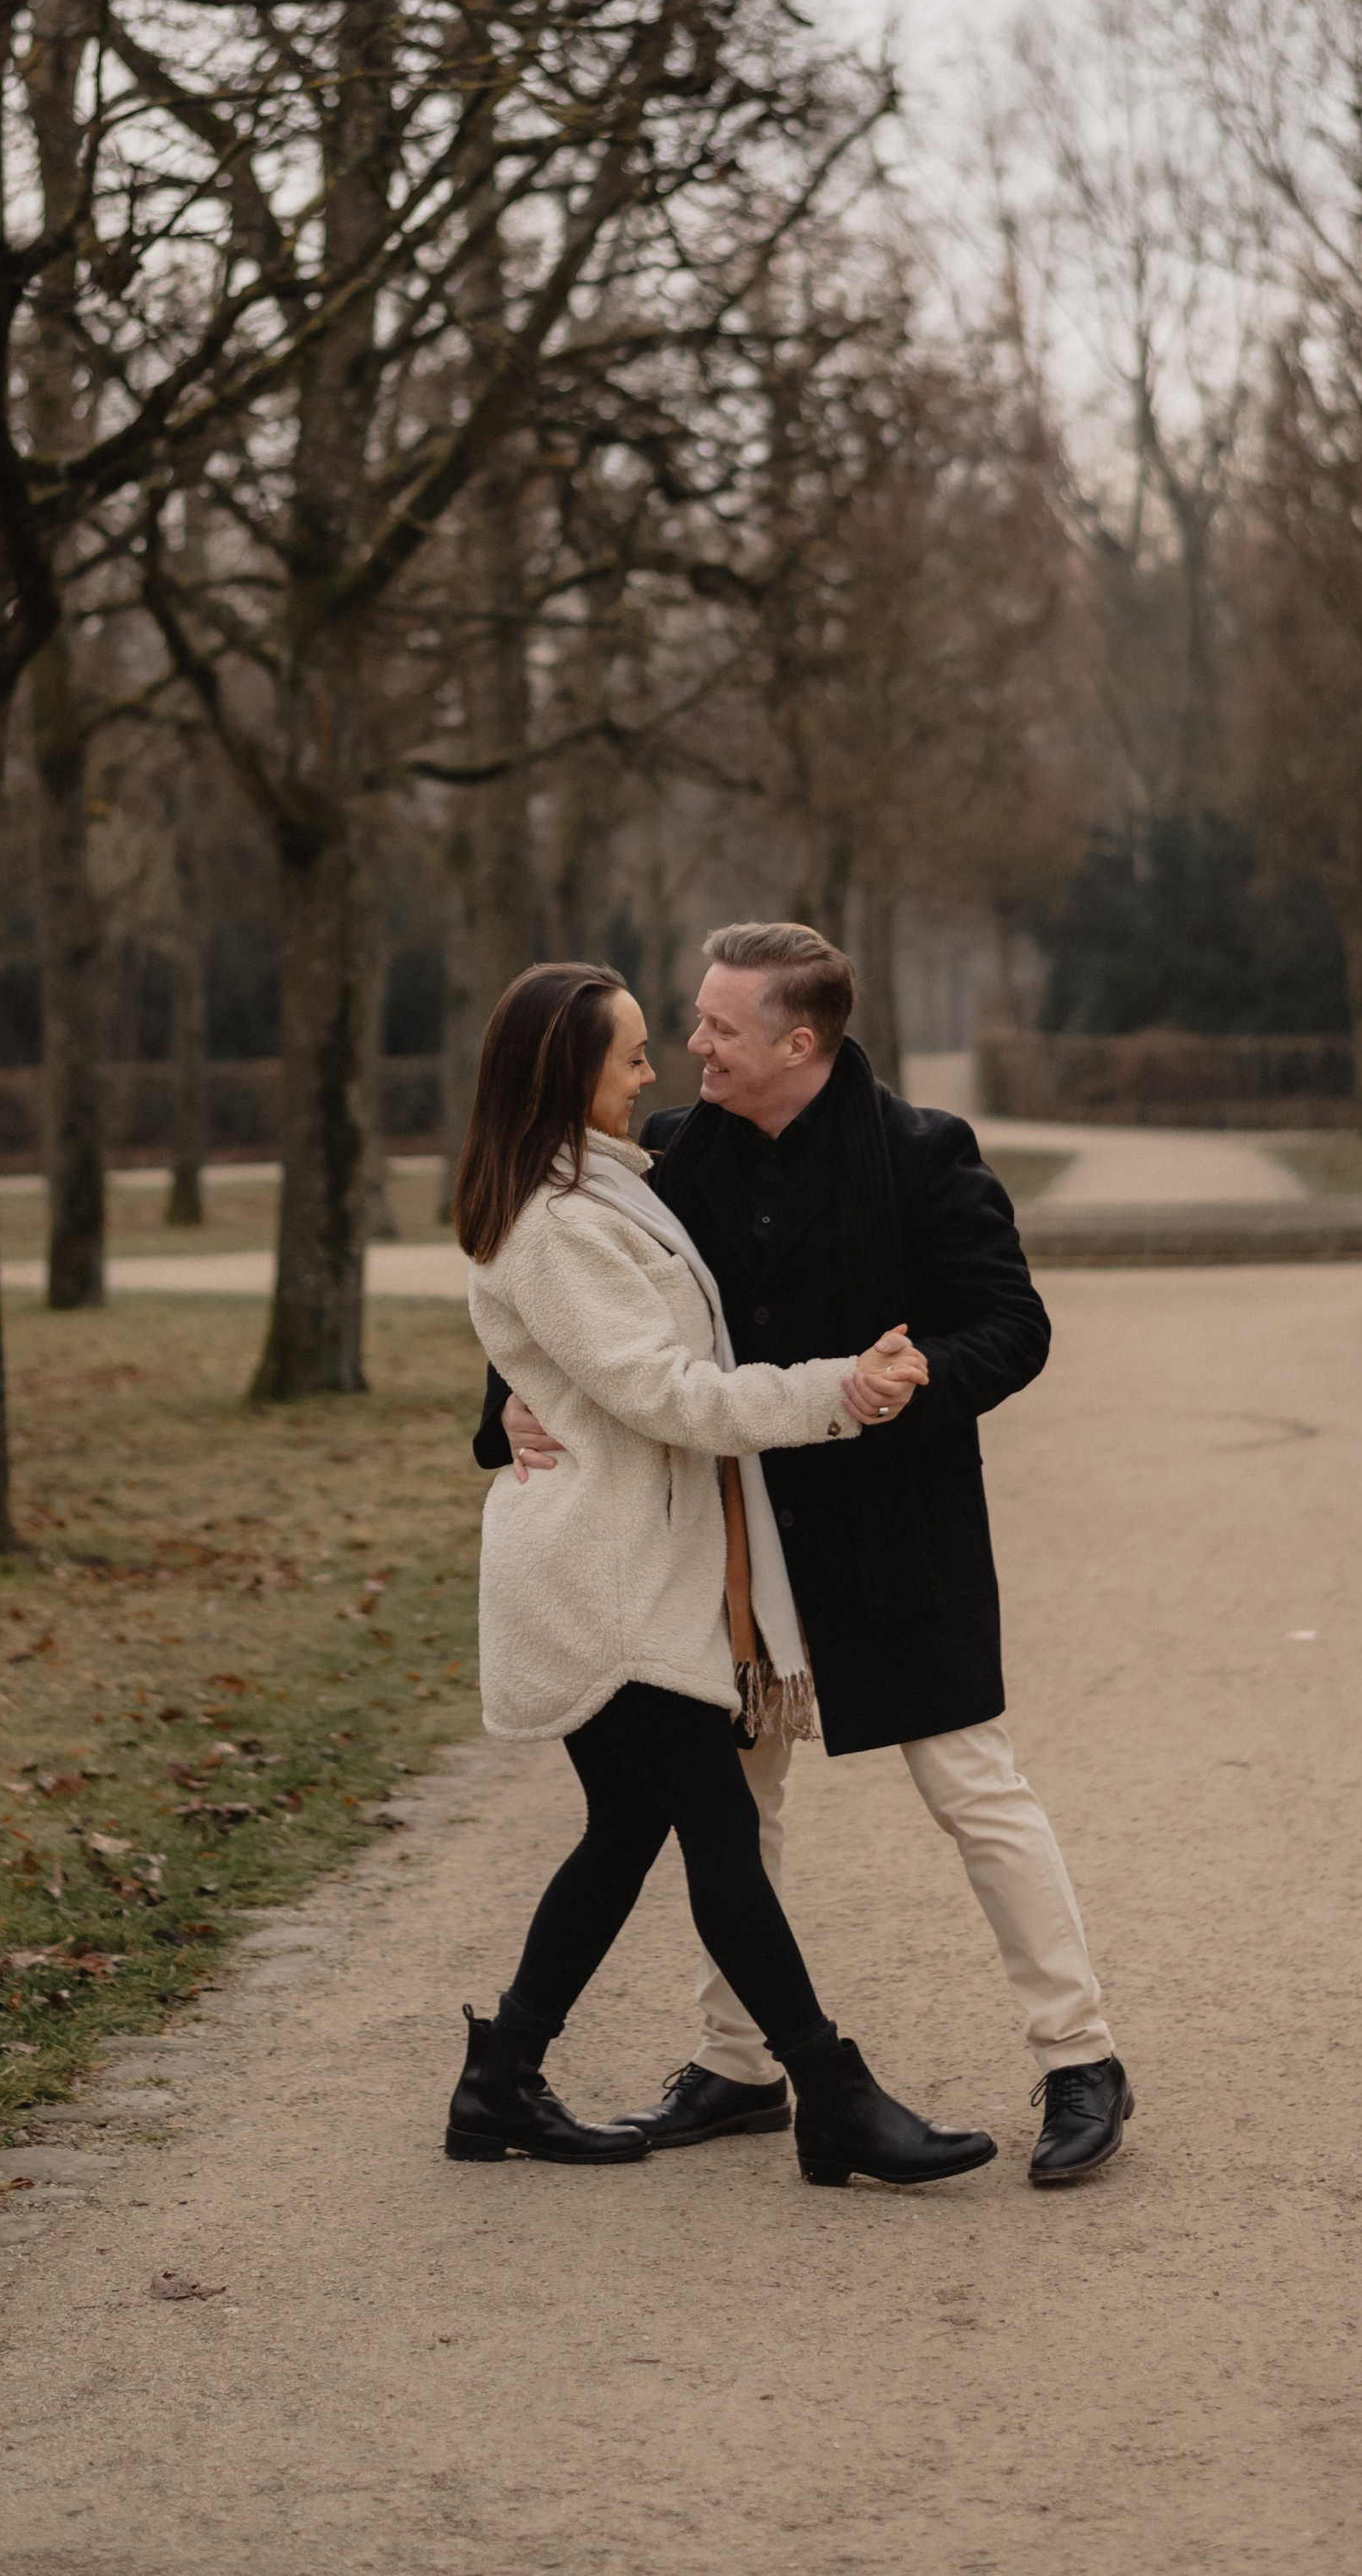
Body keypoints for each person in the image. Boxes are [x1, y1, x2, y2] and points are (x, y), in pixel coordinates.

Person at [478, 921, 1132, 2189]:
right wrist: (503, 1417)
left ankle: (1081, 2057)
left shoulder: (923, 1154)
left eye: (718, 1027)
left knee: (973, 1787)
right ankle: (739, 2066)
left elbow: (1014, 1323)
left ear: (799, 1039)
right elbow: (573, 1321)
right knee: (741, 1808)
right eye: (690, 1022)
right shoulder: (670, 1159)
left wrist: (916, 1381)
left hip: (897, 1531)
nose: (690, 1048)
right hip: (729, 1547)